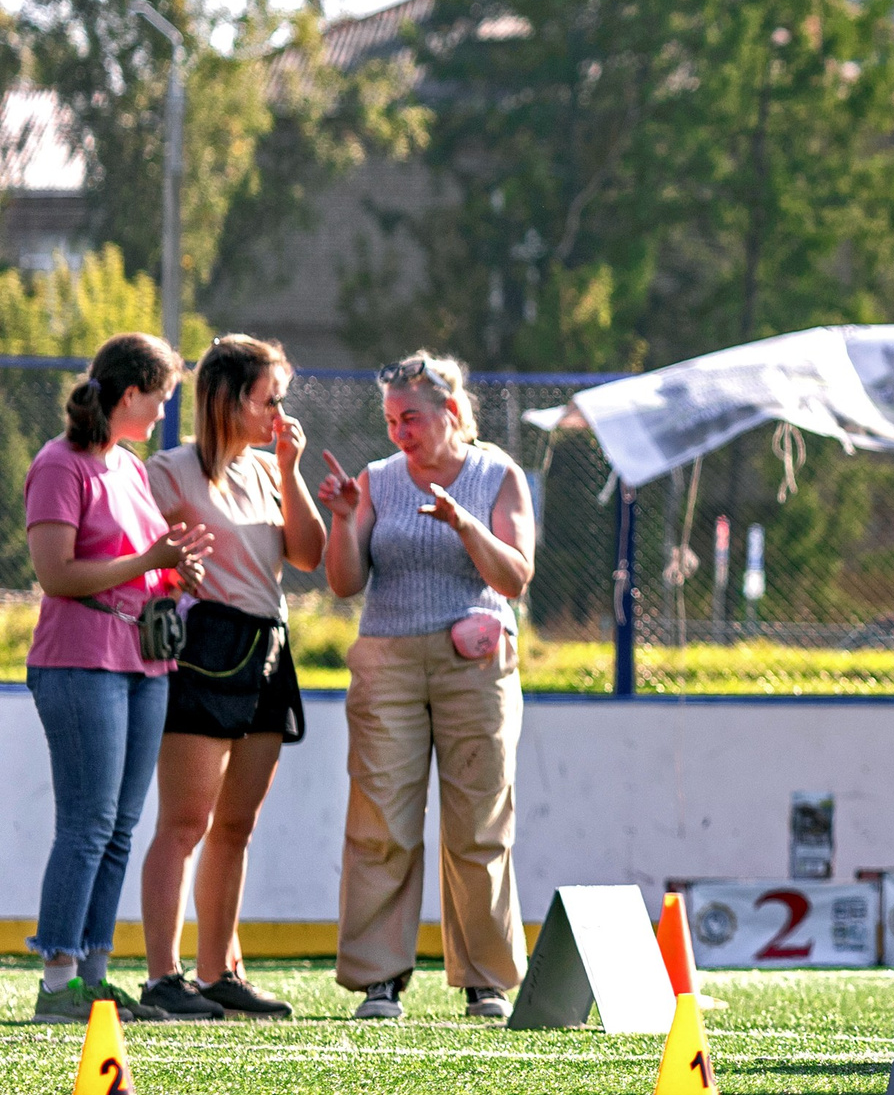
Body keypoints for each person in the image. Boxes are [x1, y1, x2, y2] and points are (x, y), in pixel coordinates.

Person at [318, 351, 539, 1021]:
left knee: (478, 820)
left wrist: (463, 524)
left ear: (450, 412)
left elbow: (514, 578)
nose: (398, 433)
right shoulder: (378, 481)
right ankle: (378, 979)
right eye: (390, 419)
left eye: (410, 417)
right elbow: (343, 582)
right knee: (380, 817)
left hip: (474, 664)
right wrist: (343, 518)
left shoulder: (499, 475)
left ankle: (486, 981)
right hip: (387, 661)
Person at [131, 336, 326, 1021]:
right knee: (185, 821)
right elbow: (136, 553)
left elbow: (309, 554)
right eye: (271, 399)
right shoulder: (170, 470)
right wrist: (167, 572)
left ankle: (217, 973)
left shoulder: (274, 468)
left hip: (267, 646)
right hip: (203, 650)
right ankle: (163, 977)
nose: (281, 413)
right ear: (229, 399)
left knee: (235, 826)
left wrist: (294, 469)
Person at [23, 334, 213, 1024]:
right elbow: (57, 575)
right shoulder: (58, 464)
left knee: (122, 826)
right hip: (78, 662)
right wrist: (149, 561)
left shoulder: (129, 469)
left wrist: (174, 571)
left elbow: (143, 564)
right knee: (87, 823)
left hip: (142, 662)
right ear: (130, 393)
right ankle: (57, 980)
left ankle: (94, 975)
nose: (166, 412)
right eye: (161, 397)